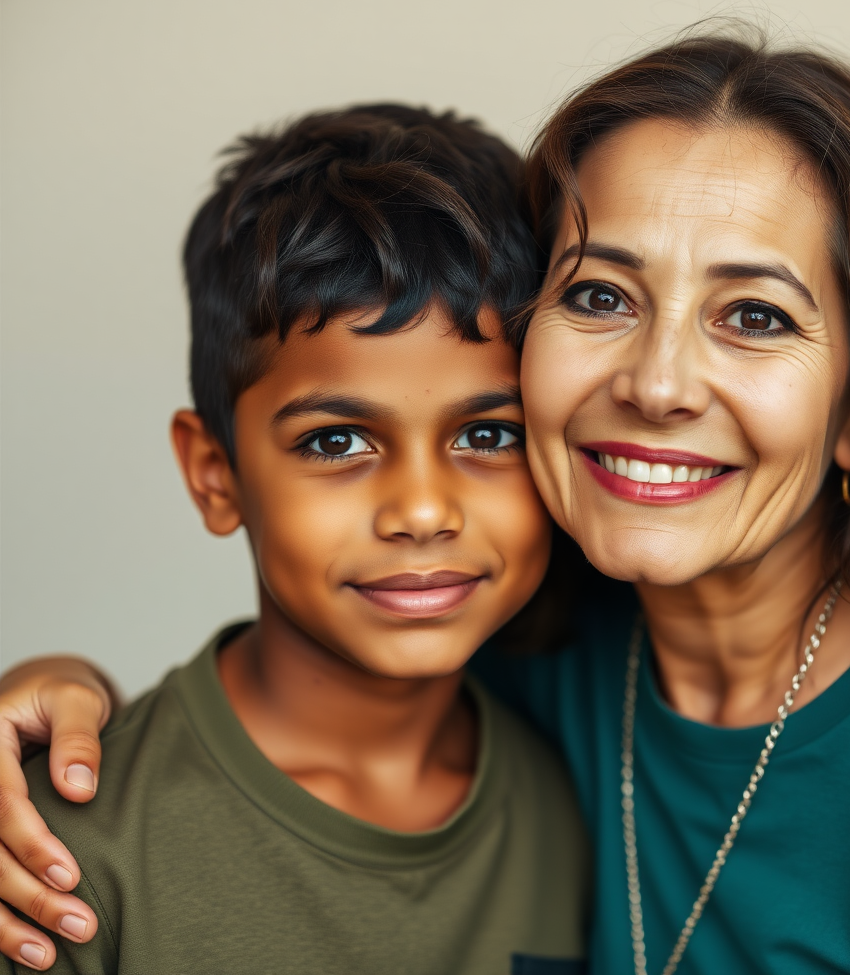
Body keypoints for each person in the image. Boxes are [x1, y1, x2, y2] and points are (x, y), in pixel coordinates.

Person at [2, 29, 850, 974]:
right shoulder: (531, 638)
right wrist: (62, 710)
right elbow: (278, 741)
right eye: (600, 296)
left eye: (753, 315)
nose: (656, 383)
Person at [0, 104, 591, 973]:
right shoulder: (57, 852)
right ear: (215, 474)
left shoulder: (567, 804)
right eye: (336, 441)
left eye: (488, 435)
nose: (423, 512)